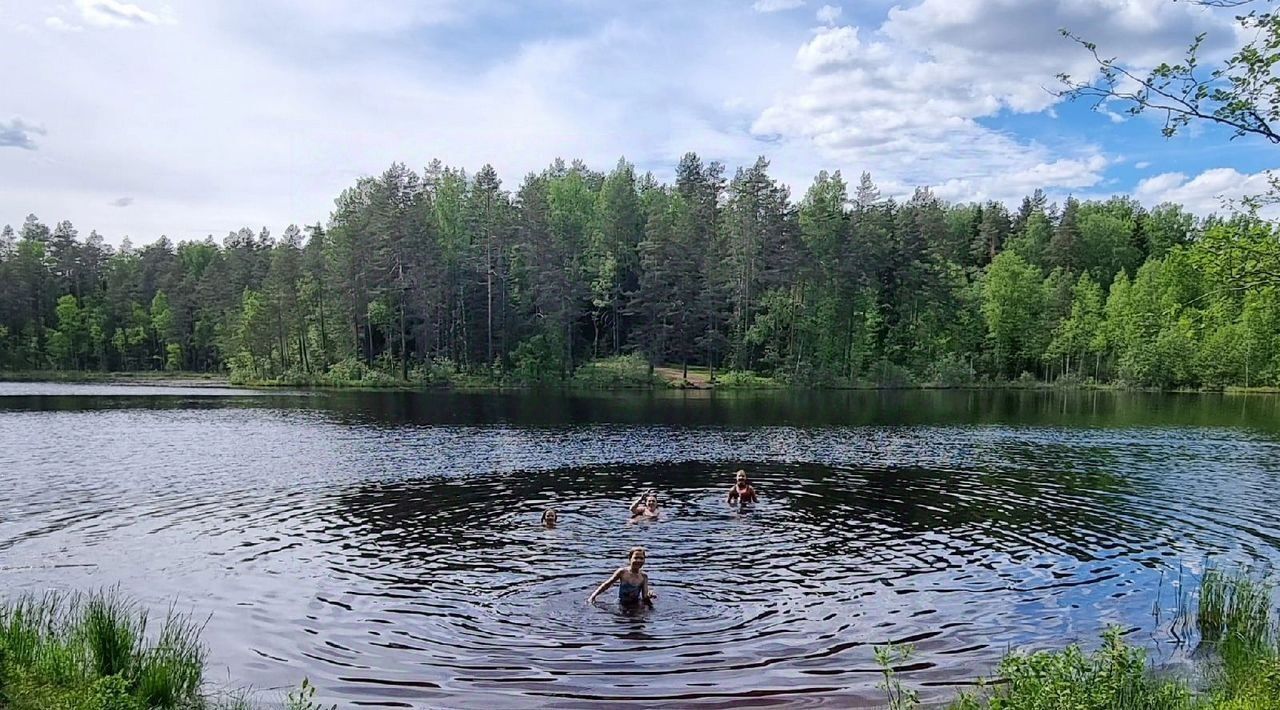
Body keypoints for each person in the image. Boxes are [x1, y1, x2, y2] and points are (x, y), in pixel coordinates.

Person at [587, 546, 655, 606]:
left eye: (641, 558)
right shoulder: (622, 572)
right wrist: (593, 596)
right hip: (622, 603)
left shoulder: (644, 577)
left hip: (635, 604)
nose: (638, 560)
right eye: (636, 558)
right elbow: (606, 585)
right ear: (630, 558)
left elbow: (644, 597)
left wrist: (649, 595)